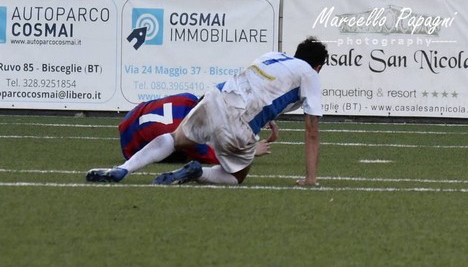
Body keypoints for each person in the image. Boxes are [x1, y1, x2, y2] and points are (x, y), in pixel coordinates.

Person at [86, 37, 328, 186]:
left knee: (175, 138)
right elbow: (312, 131)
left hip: (217, 96)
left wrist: (267, 115)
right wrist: (310, 178)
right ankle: (198, 172)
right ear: (318, 66)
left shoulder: (273, 56)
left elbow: (257, 86)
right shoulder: (309, 74)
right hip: (241, 121)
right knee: (236, 176)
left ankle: (123, 169)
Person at [118, 92, 279, 165]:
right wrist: (251, 151)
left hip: (129, 120)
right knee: (186, 154)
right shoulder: (188, 134)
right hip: (131, 149)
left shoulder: (188, 99)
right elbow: (217, 157)